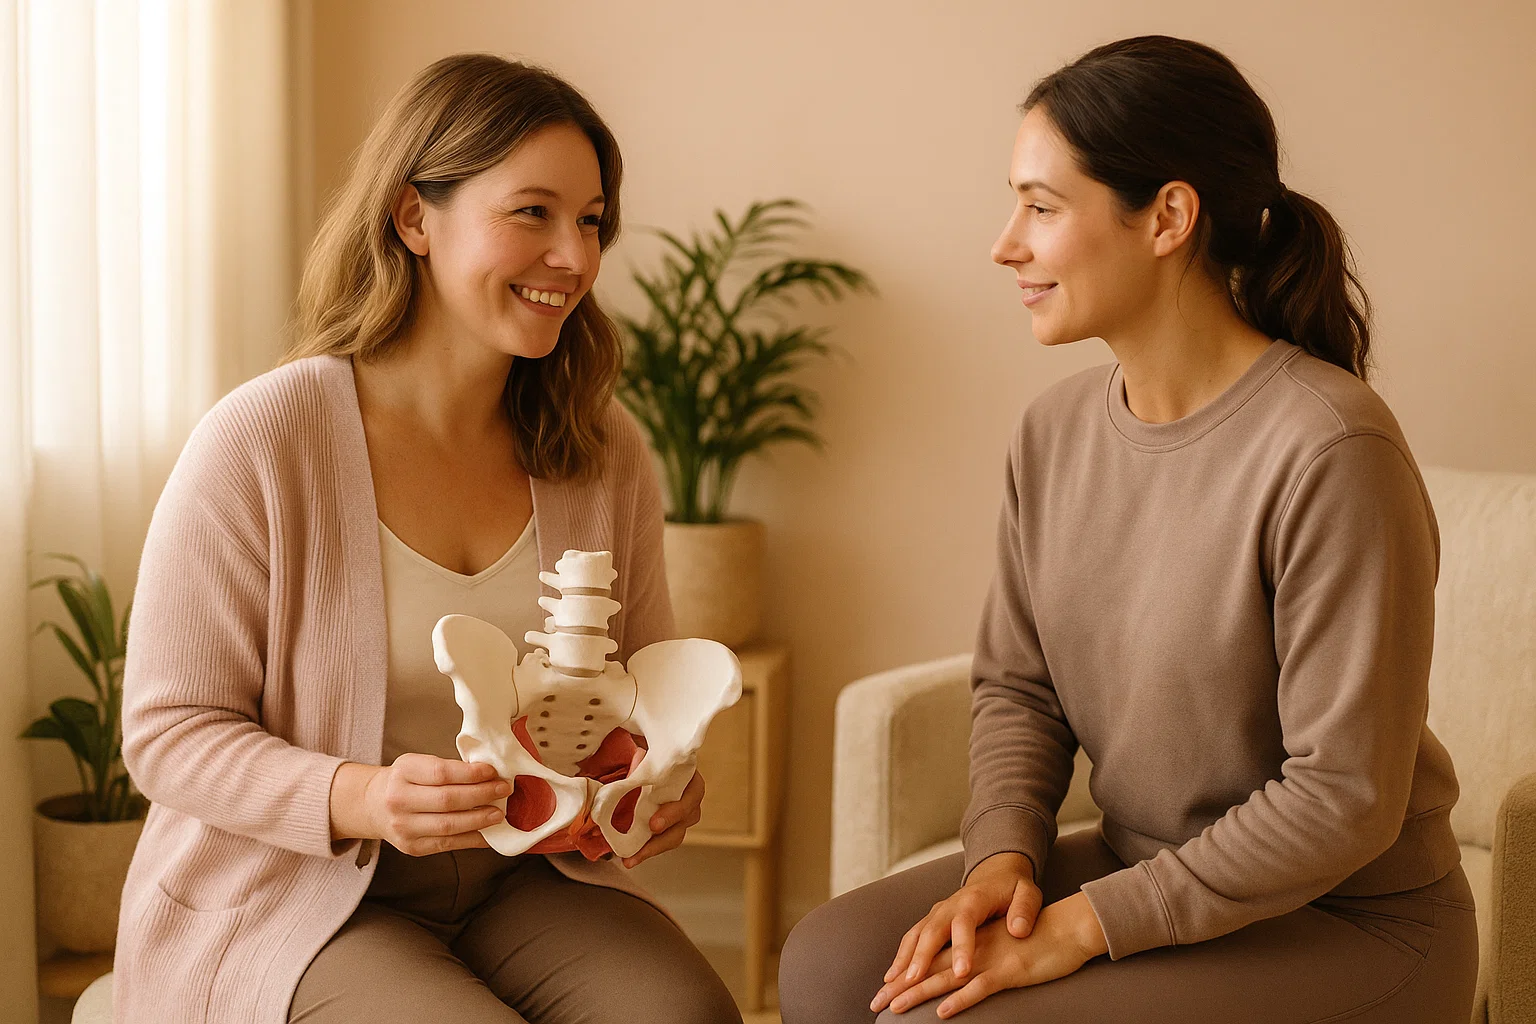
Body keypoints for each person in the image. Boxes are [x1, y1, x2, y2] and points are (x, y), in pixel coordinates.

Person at [779, 35, 1476, 1023]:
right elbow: (1021, 690)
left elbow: (1342, 798)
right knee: (827, 965)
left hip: (1349, 921)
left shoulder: (1331, 447)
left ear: (1169, 217)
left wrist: (1082, 925)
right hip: (1137, 868)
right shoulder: (1052, 433)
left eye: (1040, 206)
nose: (1004, 243)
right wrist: (1002, 864)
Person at [116, 53, 740, 1024]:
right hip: (303, 895)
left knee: (682, 1014)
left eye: (590, 220)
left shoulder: (600, 446)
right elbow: (167, 733)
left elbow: (646, 690)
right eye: (531, 212)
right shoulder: (265, 440)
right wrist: (362, 796)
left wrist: (661, 781)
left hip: (525, 881)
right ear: (414, 217)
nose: (573, 257)